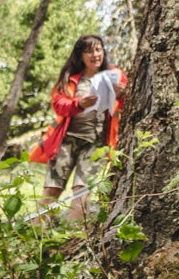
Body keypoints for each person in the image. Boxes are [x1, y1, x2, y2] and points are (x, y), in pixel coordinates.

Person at [29, 34, 124, 221]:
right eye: (89, 51)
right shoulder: (71, 78)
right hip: (66, 141)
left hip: (94, 143)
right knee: (52, 189)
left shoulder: (115, 75)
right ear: (80, 55)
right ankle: (36, 235)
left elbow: (125, 103)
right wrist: (79, 104)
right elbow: (58, 104)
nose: (95, 55)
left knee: (82, 191)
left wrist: (121, 94)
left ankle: (73, 235)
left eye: (98, 50)